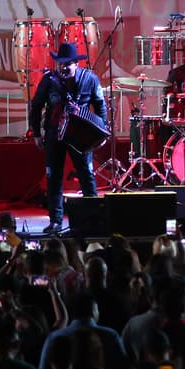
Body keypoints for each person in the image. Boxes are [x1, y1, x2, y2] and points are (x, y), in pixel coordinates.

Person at [28, 41, 107, 234]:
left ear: (76, 64)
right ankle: (55, 221)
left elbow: (100, 105)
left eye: (68, 63)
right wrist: (37, 133)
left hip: (81, 136)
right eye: (61, 63)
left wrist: (101, 131)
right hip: (55, 135)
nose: (63, 67)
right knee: (53, 177)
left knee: (87, 176)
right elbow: (36, 106)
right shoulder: (49, 80)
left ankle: (93, 218)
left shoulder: (90, 79)